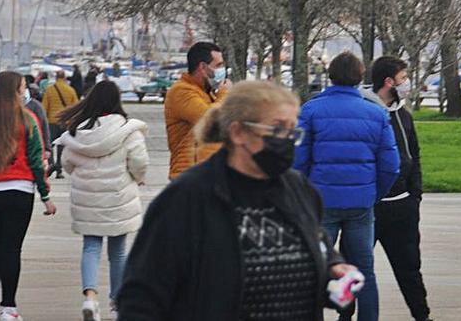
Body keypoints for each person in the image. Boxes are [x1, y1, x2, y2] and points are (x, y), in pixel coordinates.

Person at [117, 81, 360, 320]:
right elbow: (141, 295)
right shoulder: (187, 198)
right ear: (238, 132)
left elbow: (318, 245)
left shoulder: (300, 189)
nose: (286, 139)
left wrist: (333, 269)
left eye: (291, 130)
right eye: (276, 129)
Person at [295, 52, 400, 321]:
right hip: (361, 203)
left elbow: (298, 160)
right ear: (360, 76)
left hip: (322, 202)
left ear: (330, 75)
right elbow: (391, 165)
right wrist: (374, 193)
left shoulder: (310, 110)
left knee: (316, 268)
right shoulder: (376, 113)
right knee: (364, 268)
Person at [0, 72, 56, 321]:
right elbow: (37, 160)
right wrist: (46, 195)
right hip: (19, 188)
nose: (23, 93)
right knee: (12, 248)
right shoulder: (26, 119)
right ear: (15, 91)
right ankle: (8, 307)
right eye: (22, 88)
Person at [54, 80, 148, 321]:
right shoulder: (128, 130)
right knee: (117, 252)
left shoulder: (78, 130)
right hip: (118, 199)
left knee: (91, 247)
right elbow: (139, 163)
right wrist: (138, 178)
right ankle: (117, 303)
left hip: (87, 200)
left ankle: (90, 297)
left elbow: (66, 163)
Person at [365, 57, 431, 321]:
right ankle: (345, 314)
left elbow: (414, 154)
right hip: (368, 208)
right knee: (353, 267)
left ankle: (422, 315)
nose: (407, 83)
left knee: (410, 269)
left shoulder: (404, 115)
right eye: (403, 78)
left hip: (402, 205)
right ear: (388, 82)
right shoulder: (366, 111)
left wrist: (415, 194)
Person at [164, 41, 229, 179]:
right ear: (203, 67)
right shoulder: (182, 91)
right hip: (189, 177)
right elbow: (210, 120)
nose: (222, 70)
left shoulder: (208, 93)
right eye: (218, 65)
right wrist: (224, 94)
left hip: (208, 175)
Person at [43, 70, 80, 180]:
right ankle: (59, 169)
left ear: (56, 78)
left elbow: (44, 106)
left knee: (50, 145)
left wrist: (43, 120)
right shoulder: (71, 90)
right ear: (64, 78)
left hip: (52, 121)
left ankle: (51, 165)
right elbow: (75, 107)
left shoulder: (49, 90)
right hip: (65, 122)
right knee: (62, 146)